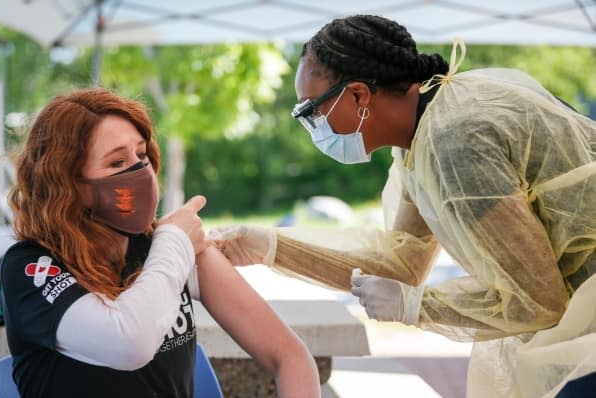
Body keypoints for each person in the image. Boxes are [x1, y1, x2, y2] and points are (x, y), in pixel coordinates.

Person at [211, 14, 596, 398]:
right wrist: (269, 247)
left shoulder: (456, 142)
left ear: (359, 95)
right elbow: (402, 264)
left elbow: (537, 301)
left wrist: (416, 307)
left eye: (310, 111)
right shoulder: (421, 135)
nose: (313, 127)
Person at [0, 88, 320, 398]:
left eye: (140, 154)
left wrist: (174, 245)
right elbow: (129, 344)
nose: (141, 171)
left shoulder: (164, 248)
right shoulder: (31, 266)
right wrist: (175, 241)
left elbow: (290, 357)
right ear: (68, 183)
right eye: (116, 163)